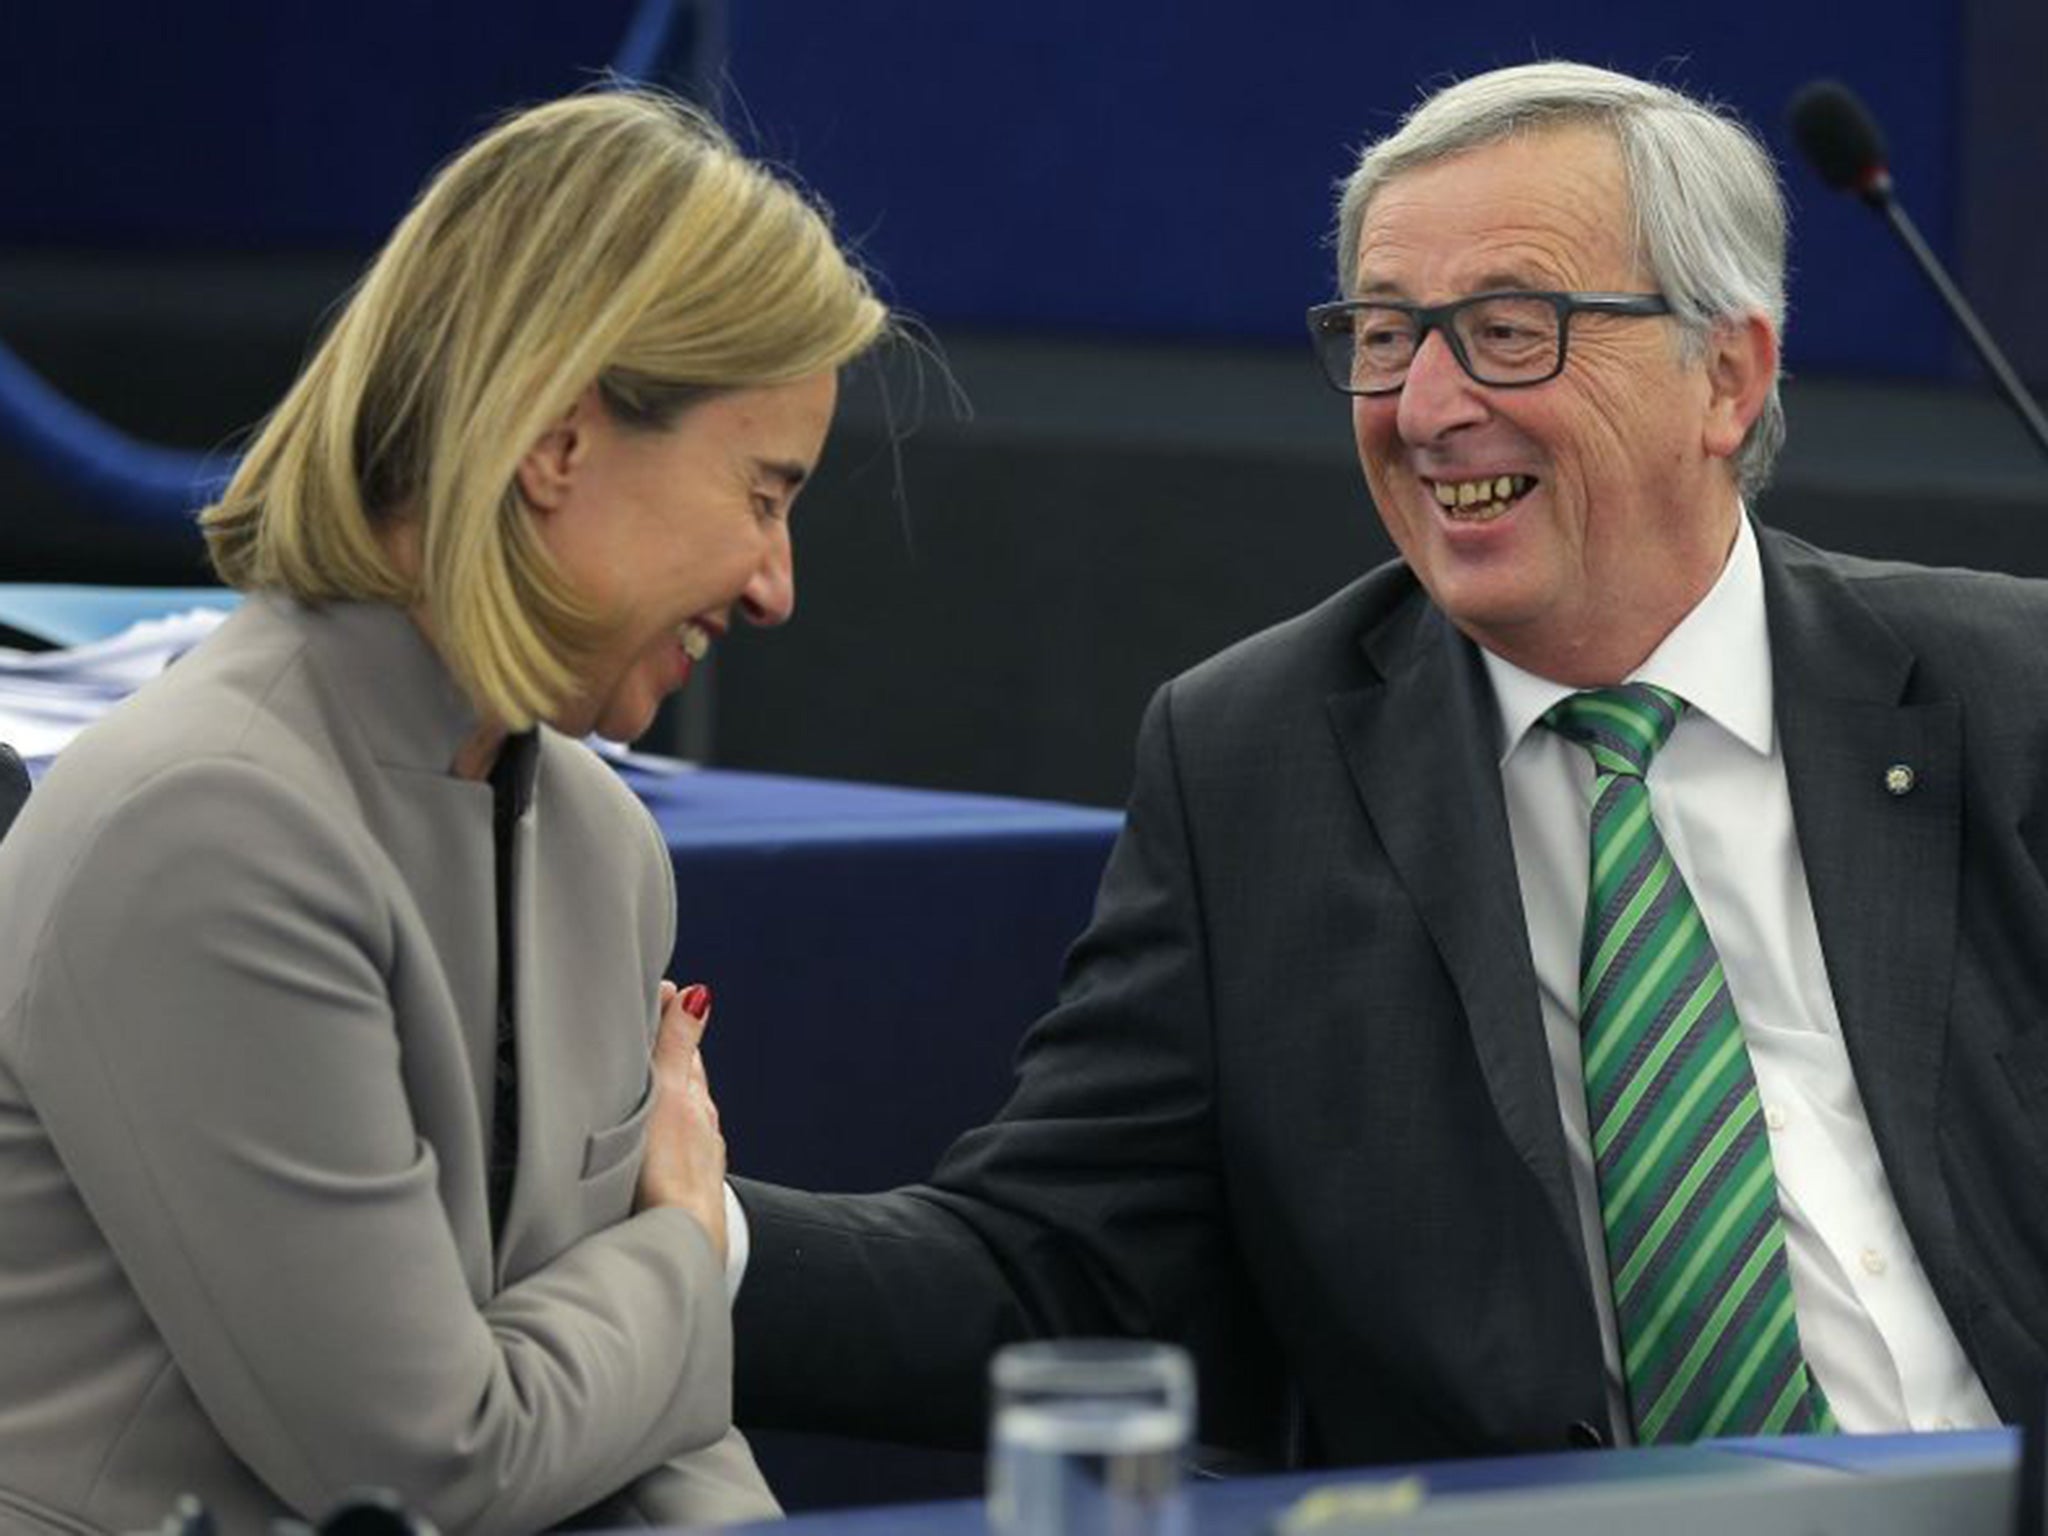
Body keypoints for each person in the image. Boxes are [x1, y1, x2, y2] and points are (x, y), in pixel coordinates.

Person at [729, 61, 2048, 1468]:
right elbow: (1059, 1271)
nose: (1424, 405)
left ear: (1726, 375)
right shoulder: (1256, 763)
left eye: (1506, 330)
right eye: (1382, 334)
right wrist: (702, 1239)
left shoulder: (2004, 694)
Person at [0, 88, 886, 1532]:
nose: (778, 583)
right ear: (559, 443)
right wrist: (687, 1247)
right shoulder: (204, 829)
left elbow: (649, 1437)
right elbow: (424, 1472)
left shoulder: (601, 848)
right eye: (764, 492)